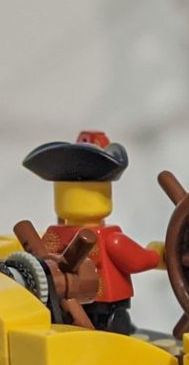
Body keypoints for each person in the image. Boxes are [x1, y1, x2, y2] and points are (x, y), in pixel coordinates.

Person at [22, 132, 161, 334]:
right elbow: (137, 260)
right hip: (104, 310)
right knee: (115, 334)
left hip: (69, 310)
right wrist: (157, 255)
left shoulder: (53, 236)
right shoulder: (110, 239)